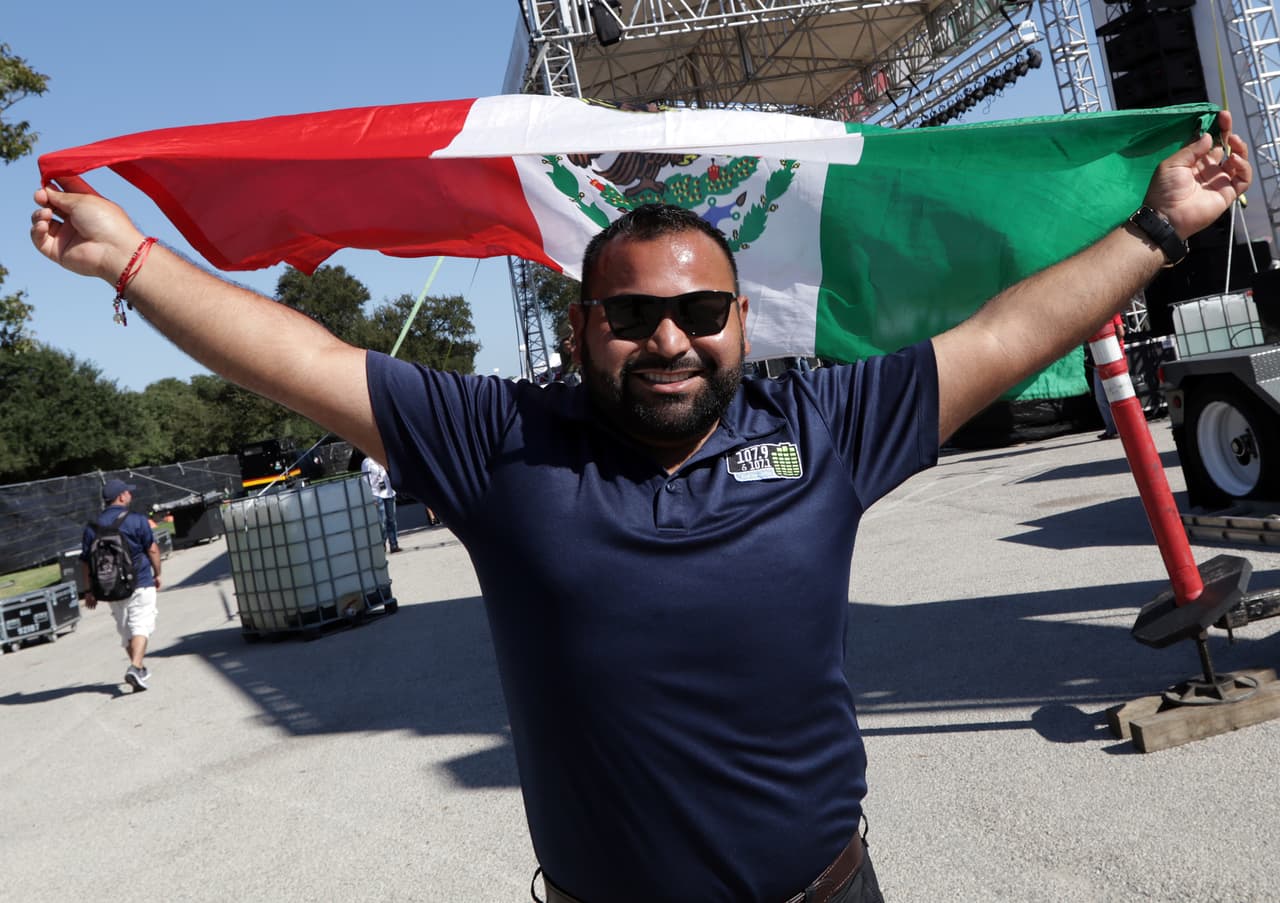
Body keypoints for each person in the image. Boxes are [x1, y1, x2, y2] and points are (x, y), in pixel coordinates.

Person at [32, 112, 1249, 902]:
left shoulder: (827, 429)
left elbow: (1002, 332)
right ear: (579, 329)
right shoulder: (495, 443)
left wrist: (1153, 228)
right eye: (627, 315)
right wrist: (130, 262)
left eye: (698, 312)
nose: (666, 337)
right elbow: (293, 354)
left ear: (739, 322)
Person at [81, 479, 163, 691]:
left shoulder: (92, 527)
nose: (131, 496)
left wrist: (89, 590)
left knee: (127, 630)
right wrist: (158, 573)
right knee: (141, 625)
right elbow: (152, 549)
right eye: (128, 493)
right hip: (140, 580)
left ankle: (139, 670)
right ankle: (135, 667)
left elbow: (86, 562)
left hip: (110, 587)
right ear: (121, 497)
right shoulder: (136, 520)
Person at [361, 453, 401, 552]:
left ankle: (394, 545)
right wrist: (370, 497)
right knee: (381, 523)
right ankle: (381, 544)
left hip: (389, 493)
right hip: (376, 494)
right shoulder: (367, 462)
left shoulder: (383, 459)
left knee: (392, 521)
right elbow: (366, 481)